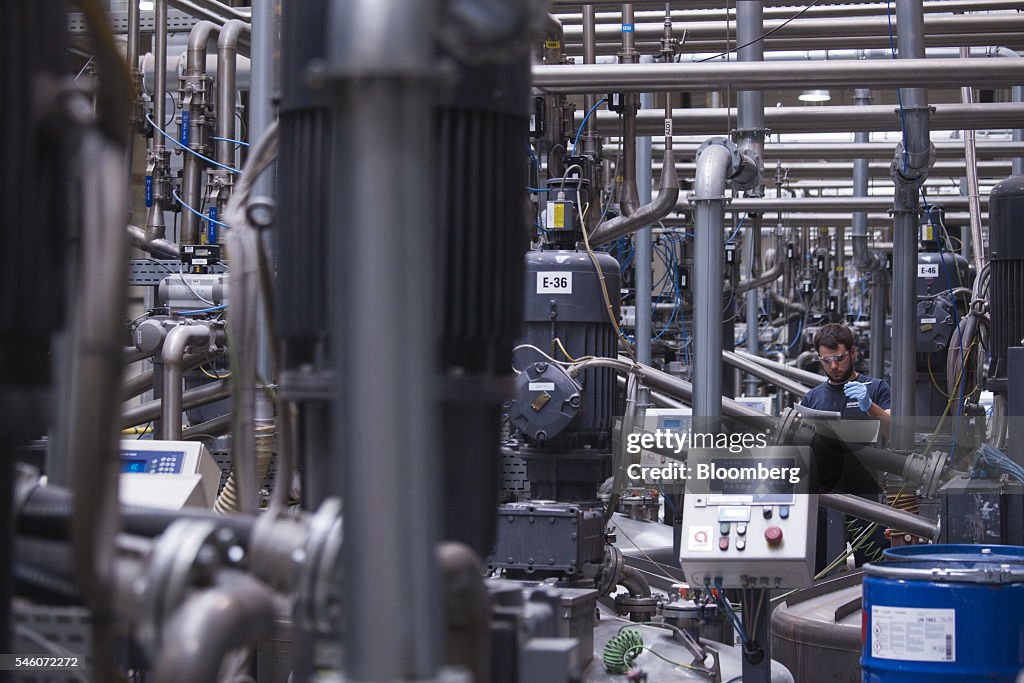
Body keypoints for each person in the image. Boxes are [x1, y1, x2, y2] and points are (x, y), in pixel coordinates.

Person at [800, 323, 891, 431]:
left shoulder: (877, 388)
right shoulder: (811, 399)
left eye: (839, 358)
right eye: (826, 360)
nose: (833, 366)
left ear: (852, 353)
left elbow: (893, 431)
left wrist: (869, 406)